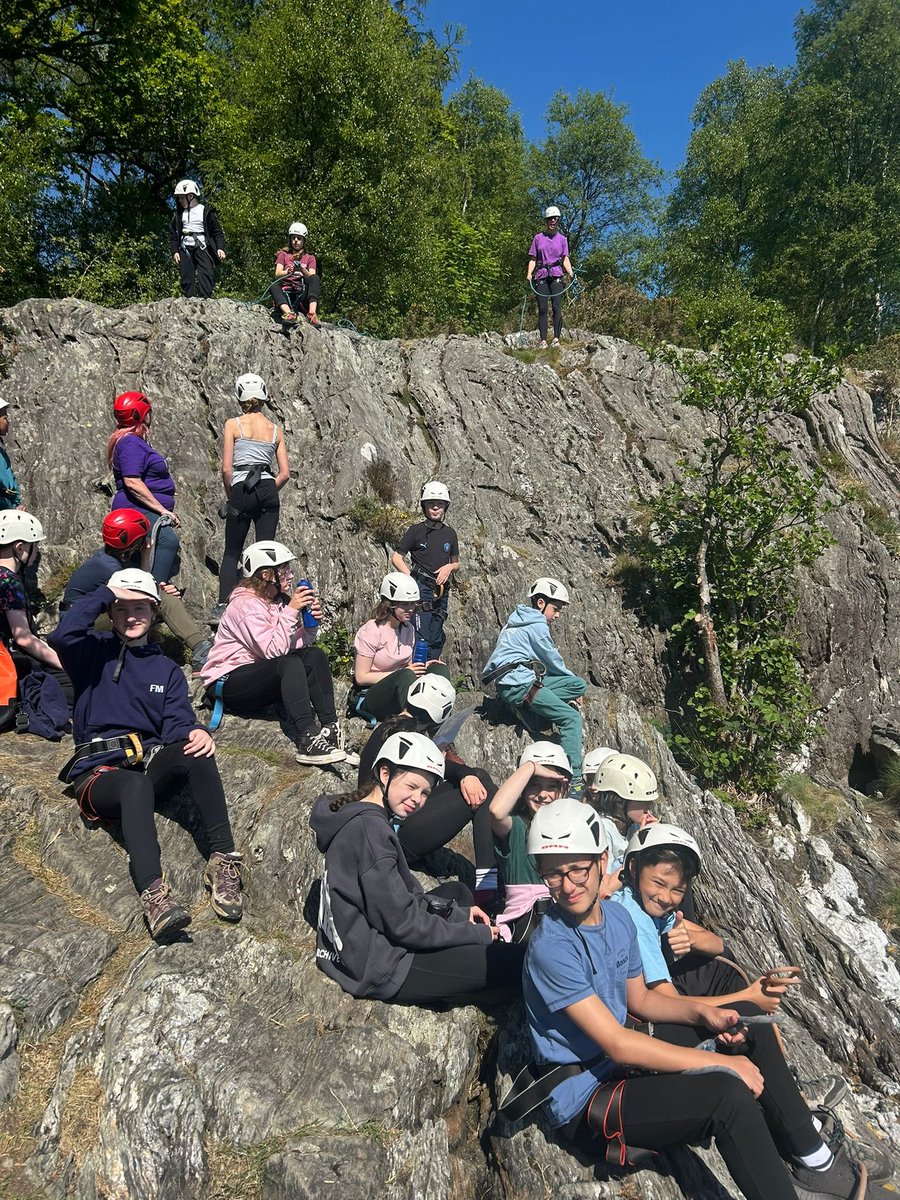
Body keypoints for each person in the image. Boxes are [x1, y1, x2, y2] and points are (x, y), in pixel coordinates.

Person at [517, 798, 890, 1200]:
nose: (568, 885)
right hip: (587, 1097)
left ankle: (813, 1160)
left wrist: (708, 1013)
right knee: (726, 1097)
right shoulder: (552, 948)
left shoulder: (618, 919)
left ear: (603, 859)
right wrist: (718, 1062)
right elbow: (618, 1043)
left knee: (748, 1020)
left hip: (616, 1066)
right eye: (553, 875)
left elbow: (640, 998)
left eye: (577, 869)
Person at [48, 569, 243, 940]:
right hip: (100, 773)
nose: (132, 616)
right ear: (111, 613)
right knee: (135, 786)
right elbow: (62, 634)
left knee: (196, 752)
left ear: (154, 614)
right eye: (122, 609)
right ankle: (155, 894)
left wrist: (194, 730)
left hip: (148, 762)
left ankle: (224, 859)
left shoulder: (166, 669)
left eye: (141, 608)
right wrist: (107, 591)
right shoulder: (90, 653)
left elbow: (176, 722)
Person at [311, 731, 525, 1004]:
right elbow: (404, 926)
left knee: (458, 895)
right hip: (382, 967)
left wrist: (458, 917)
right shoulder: (371, 833)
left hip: (356, 948)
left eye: (425, 793)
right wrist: (476, 934)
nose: (418, 799)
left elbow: (396, 902)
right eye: (411, 787)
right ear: (385, 774)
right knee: (517, 962)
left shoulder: (359, 815)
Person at [200, 540, 350, 766]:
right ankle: (307, 736)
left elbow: (290, 645)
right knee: (287, 664)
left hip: (257, 674)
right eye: (284, 570)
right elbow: (273, 652)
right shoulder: (244, 605)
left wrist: (309, 627)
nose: (289, 575)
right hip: (228, 680)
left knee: (313, 656)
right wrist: (291, 611)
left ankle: (330, 728)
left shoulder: (274, 602)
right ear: (266, 575)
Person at [356, 673, 499, 908]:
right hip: (395, 833)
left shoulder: (393, 727)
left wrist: (462, 772)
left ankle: (489, 885)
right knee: (480, 781)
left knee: (476, 778)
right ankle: (488, 888)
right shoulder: (406, 735)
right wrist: (464, 773)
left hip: (389, 826)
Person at [61, 509, 212, 672]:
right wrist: (148, 558)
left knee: (155, 598)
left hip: (86, 617)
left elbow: (143, 584)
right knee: (162, 600)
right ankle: (199, 648)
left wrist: (148, 562)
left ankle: (194, 647)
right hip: (83, 624)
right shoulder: (108, 567)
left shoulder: (111, 557)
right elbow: (144, 591)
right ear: (135, 541)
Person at [483, 577, 586, 790]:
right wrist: (567, 679)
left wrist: (572, 683)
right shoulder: (537, 624)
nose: (557, 615)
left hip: (512, 683)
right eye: (555, 609)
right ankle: (574, 778)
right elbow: (551, 659)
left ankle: (523, 707)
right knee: (571, 718)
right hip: (520, 684)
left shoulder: (517, 619)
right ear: (541, 603)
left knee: (578, 685)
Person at [214, 373, 290, 615]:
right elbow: (285, 473)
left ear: (240, 396)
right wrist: (267, 491)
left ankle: (223, 607)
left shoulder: (233, 425)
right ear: (264, 395)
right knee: (265, 552)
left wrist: (233, 494)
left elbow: (227, 468)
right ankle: (266, 604)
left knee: (232, 552)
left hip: (242, 488)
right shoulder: (276, 430)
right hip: (268, 488)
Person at [489, 742, 576, 942]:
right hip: (526, 925)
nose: (543, 794)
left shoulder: (573, 830)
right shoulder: (516, 828)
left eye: (551, 787)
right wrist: (530, 767)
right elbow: (496, 811)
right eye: (535, 784)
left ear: (563, 790)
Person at [353, 572, 452, 722]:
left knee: (438, 670)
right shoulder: (372, 631)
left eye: (412, 604)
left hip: (401, 685)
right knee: (406, 675)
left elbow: (406, 666)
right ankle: (411, 723)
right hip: (372, 694)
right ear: (390, 605)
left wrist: (423, 666)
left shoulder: (408, 629)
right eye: (405, 605)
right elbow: (361, 677)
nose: (411, 609)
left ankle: (437, 724)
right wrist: (403, 672)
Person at [108, 391, 181, 585]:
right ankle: (153, 593)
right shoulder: (131, 441)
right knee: (167, 541)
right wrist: (162, 509)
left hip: (138, 508)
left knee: (138, 557)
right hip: (136, 509)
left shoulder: (131, 441)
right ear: (142, 414)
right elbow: (132, 481)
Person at [0, 510, 72, 704]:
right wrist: (65, 664)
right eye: (35, 545)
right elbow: (23, 638)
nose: (37, 552)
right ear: (19, 547)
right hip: (11, 661)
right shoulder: (8, 581)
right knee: (72, 684)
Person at [390, 481, 459, 661]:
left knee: (436, 635)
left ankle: (431, 674)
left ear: (446, 506)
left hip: (442, 590)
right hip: (421, 587)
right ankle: (417, 675)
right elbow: (397, 557)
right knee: (421, 635)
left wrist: (449, 567)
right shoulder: (416, 531)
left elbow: (455, 563)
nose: (435, 508)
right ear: (424, 506)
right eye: (431, 504)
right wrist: (410, 580)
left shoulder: (450, 534)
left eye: (440, 504)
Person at [585, 751, 659, 868]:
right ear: (619, 802)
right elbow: (605, 883)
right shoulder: (603, 829)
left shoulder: (633, 827)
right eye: (643, 802)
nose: (648, 808)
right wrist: (639, 844)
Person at [526, 205, 573, 349]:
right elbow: (533, 258)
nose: (552, 221)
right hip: (541, 275)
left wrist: (570, 272)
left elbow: (565, 259)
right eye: (550, 219)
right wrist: (529, 274)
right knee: (542, 308)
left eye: (555, 218)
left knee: (557, 307)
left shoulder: (563, 239)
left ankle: (557, 338)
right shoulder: (538, 238)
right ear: (546, 221)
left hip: (556, 274)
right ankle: (543, 340)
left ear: (558, 220)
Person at [170, 179, 226, 299]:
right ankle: (190, 302)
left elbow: (218, 232)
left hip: (203, 247)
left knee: (206, 274)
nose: (180, 201)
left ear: (190, 196)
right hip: (185, 249)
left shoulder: (206, 212)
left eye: (182, 197)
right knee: (186, 278)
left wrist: (220, 248)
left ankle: (206, 301)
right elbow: (174, 235)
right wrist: (175, 251)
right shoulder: (179, 215)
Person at [269, 221, 321, 326]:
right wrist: (288, 271)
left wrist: (302, 269)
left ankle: (312, 314)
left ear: (303, 241)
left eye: (299, 238)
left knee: (315, 278)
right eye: (293, 238)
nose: (296, 241)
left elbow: (311, 277)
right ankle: (288, 313)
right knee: (273, 285)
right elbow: (277, 273)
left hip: (302, 295)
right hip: (286, 292)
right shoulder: (283, 255)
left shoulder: (310, 258)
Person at [0, 397, 22, 510]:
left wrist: (16, 506)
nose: (7, 422)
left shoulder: (1, 450)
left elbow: (10, 483)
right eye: (5, 418)